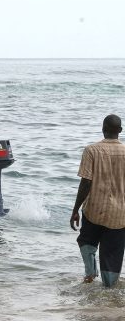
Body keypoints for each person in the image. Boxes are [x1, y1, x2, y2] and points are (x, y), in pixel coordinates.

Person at [70, 114, 125, 287]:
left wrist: (75, 210)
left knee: (86, 241)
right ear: (120, 131)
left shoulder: (91, 150)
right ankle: (109, 291)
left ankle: (90, 273)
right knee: (113, 253)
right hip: (120, 214)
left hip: (94, 208)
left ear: (103, 129)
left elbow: (86, 182)